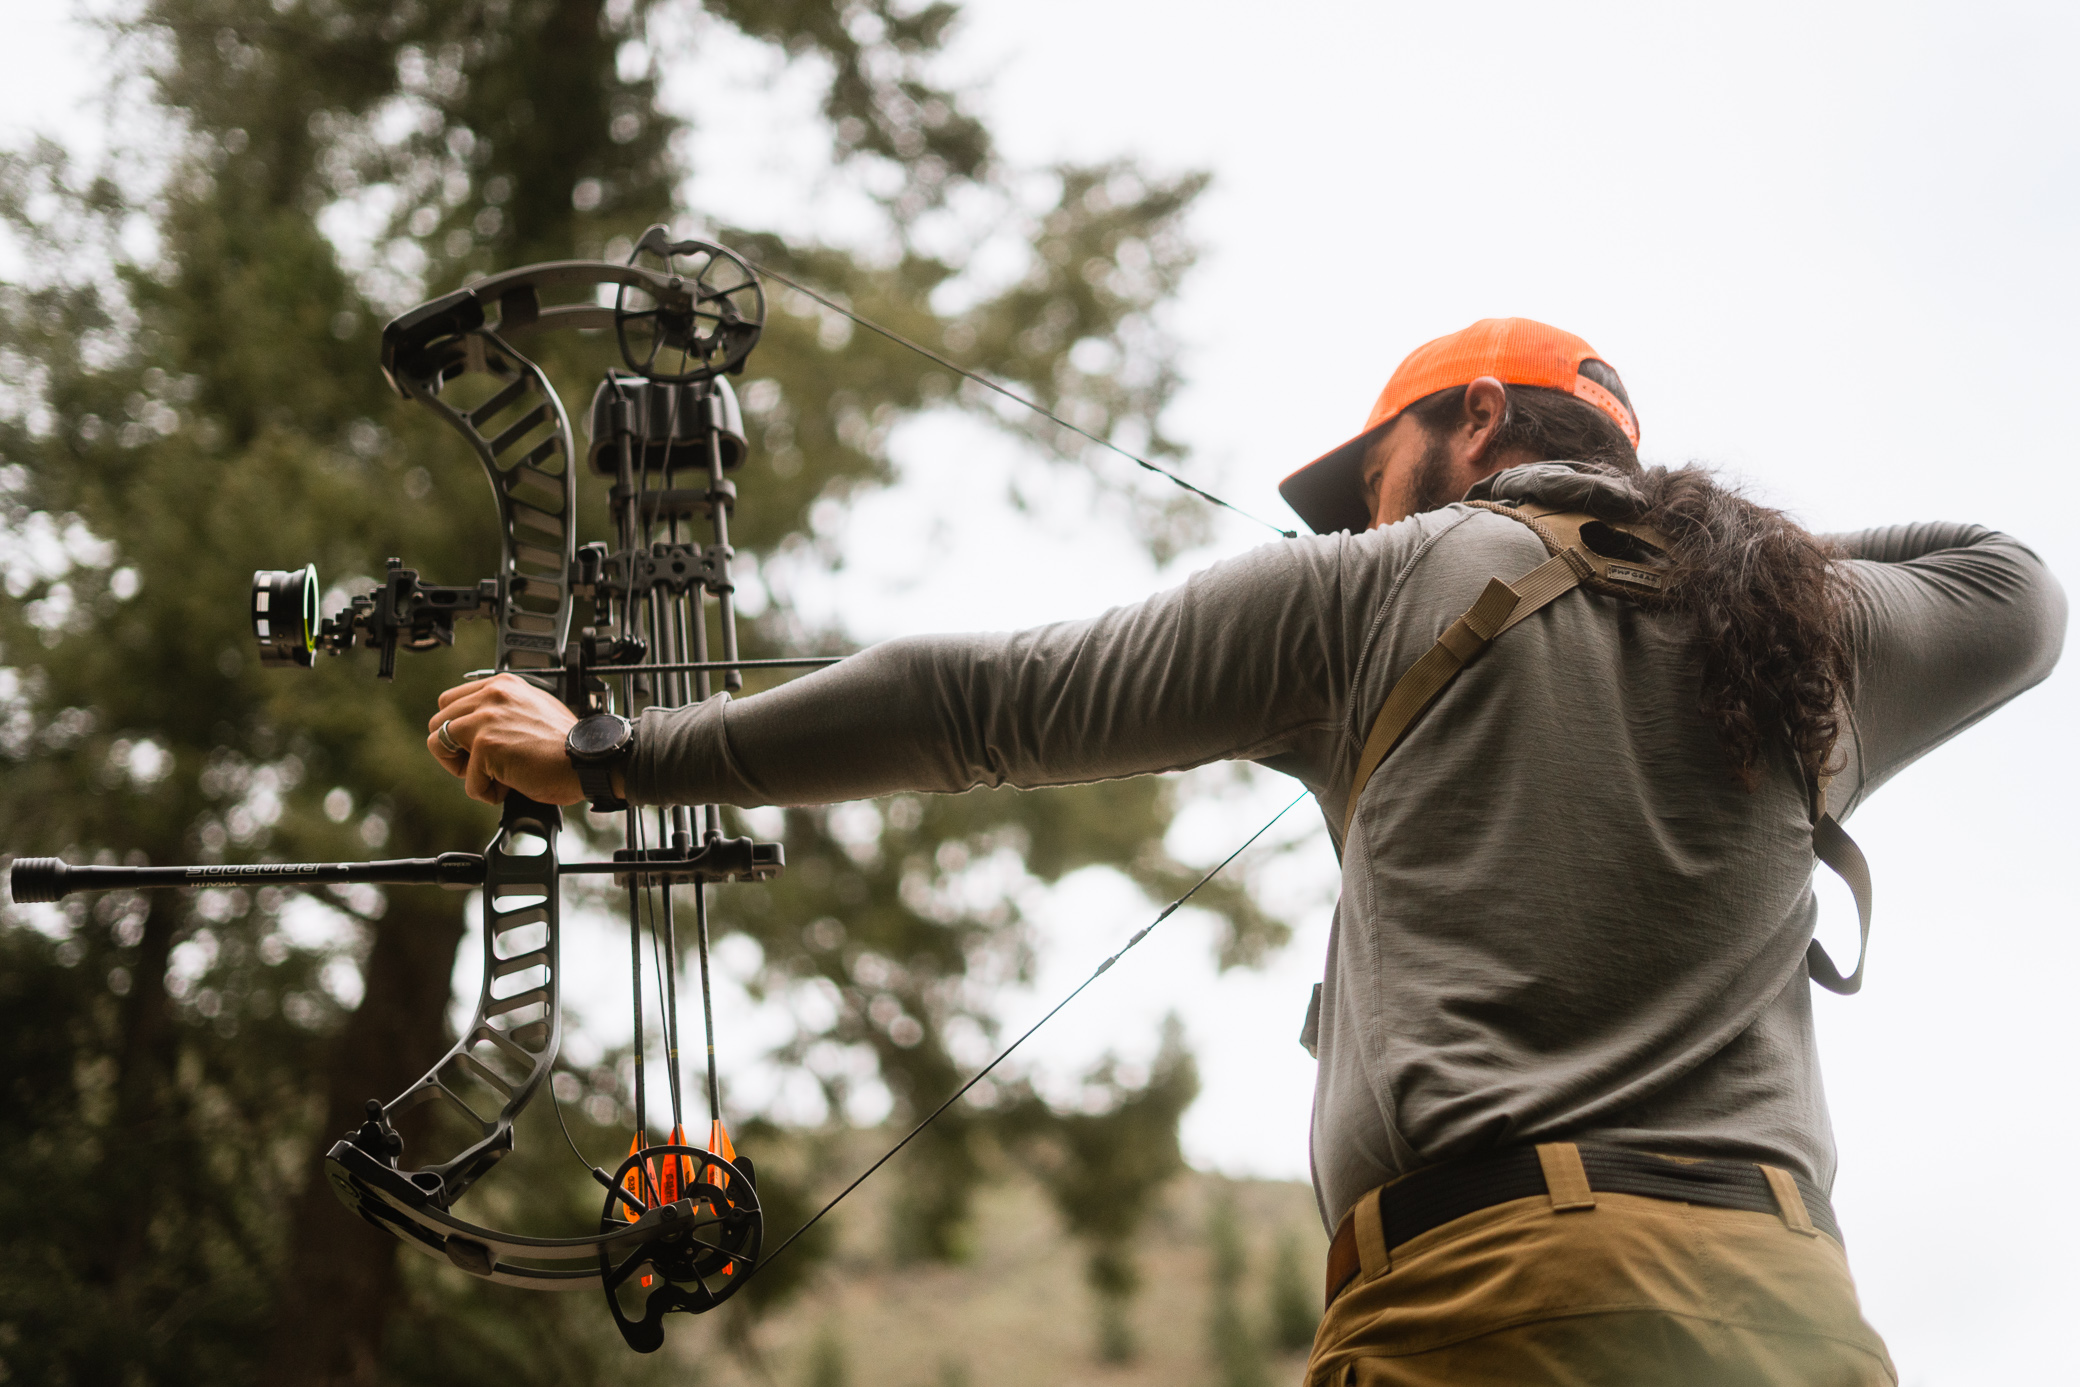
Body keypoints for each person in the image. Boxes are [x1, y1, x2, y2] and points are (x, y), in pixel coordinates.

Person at [427, 318, 2065, 1385]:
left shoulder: (1379, 585)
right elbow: (2018, 586)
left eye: (1374, 477)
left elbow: (977, 702)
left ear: (1477, 416)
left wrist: (617, 755)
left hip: (1492, 1309)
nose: (1354, 520)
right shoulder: (1816, 635)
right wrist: (1678, 541)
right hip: (1789, 1317)